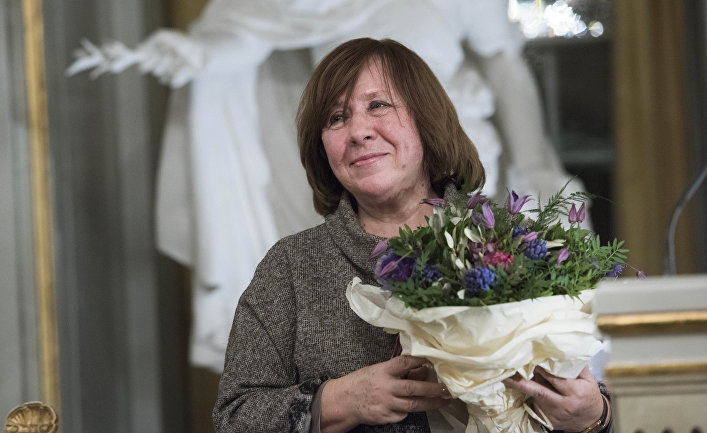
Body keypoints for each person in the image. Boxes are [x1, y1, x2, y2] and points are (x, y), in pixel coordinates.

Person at [213, 38, 610, 433]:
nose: (358, 131)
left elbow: (586, 388)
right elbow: (233, 417)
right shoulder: (291, 266)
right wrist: (340, 400)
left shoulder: (513, 239)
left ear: (425, 118)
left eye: (377, 105)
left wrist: (595, 416)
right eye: (336, 118)